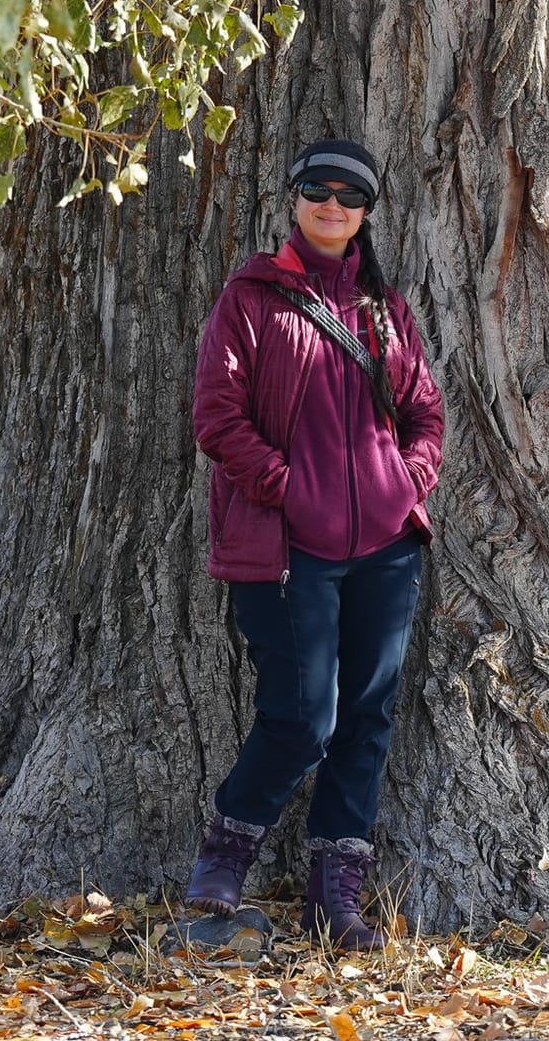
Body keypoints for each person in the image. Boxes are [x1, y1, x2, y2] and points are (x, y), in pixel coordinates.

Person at [186, 138, 444, 950]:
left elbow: (425, 416)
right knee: (305, 715)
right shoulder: (252, 299)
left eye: (351, 195)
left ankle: (336, 898)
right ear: (295, 196)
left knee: (366, 719)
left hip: (385, 550)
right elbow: (216, 418)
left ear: (368, 211)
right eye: (318, 189)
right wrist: (290, 488)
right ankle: (226, 853)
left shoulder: (382, 309)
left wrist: (405, 483)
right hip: (288, 548)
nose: (333, 205)